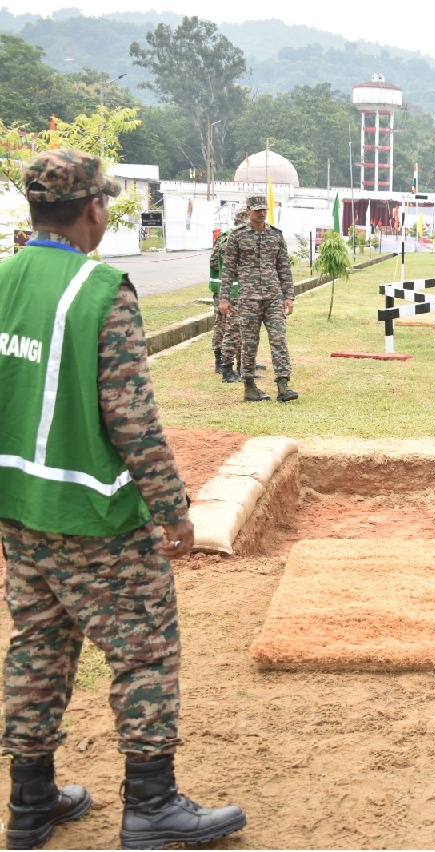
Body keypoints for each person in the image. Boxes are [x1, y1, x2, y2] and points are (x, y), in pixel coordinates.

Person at [0, 149, 246, 850]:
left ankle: (31, 801)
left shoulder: (2, 279)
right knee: (143, 651)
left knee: (38, 645)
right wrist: (174, 510)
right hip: (97, 518)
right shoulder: (102, 290)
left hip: (20, 508)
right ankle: (151, 804)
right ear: (92, 209)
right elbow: (132, 420)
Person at [220, 194, 298, 403]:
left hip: (273, 297)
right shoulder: (237, 236)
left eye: (264, 209)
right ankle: (249, 386)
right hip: (248, 299)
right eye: (257, 210)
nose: (262, 213)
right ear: (248, 211)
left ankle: (283, 385)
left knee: (279, 339)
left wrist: (289, 295)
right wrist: (224, 299)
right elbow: (227, 270)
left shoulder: (275, 235)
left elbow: (284, 267)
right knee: (249, 344)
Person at [209, 208, 248, 383]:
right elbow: (224, 266)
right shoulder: (230, 239)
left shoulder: (226, 236)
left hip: (231, 290)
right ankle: (224, 365)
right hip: (230, 292)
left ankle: (242, 365)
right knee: (228, 328)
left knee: (233, 328)